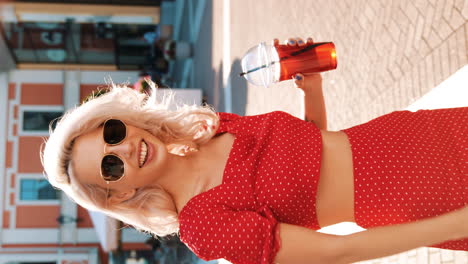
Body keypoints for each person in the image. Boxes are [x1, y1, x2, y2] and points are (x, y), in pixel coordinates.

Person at [41, 37, 467, 264]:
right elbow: (341, 252)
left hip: (412, 131)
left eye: (112, 132)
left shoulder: (210, 128)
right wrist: (456, 224)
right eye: (110, 166)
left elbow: (312, 151)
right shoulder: (203, 225)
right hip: (424, 197)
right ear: (119, 195)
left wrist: (311, 89)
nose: (126, 148)